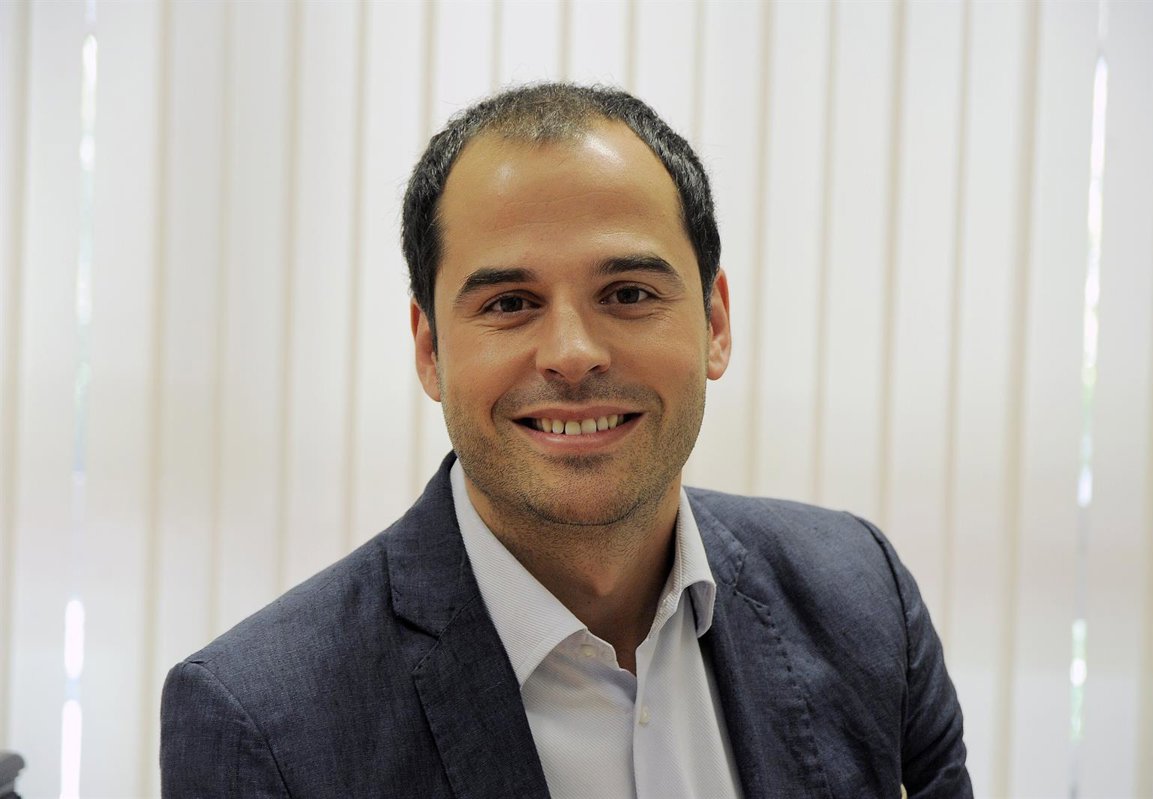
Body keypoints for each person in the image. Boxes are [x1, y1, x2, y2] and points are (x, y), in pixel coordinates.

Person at [160, 83, 971, 798]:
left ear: (716, 322)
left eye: (628, 293)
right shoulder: (262, 720)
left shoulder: (862, 600)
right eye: (510, 304)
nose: (573, 353)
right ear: (430, 349)